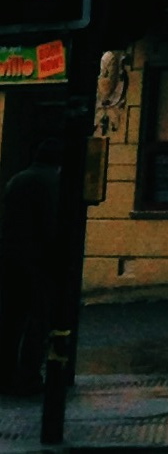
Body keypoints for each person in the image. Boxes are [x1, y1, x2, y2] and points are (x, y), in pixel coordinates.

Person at [0, 121, 64, 395]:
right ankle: (29, 376)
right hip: (38, 261)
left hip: (9, 258)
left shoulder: (18, 179)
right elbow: (52, 225)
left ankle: (5, 373)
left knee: (10, 319)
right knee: (38, 320)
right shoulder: (53, 182)